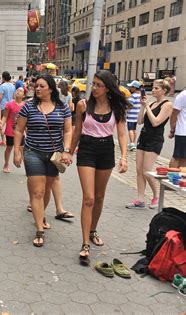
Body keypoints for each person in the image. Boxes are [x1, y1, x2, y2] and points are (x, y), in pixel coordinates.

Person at [68, 70, 129, 264]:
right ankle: (85, 243)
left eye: (98, 85)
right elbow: (77, 129)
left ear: (108, 88)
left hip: (106, 151)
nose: (93, 88)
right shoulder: (83, 105)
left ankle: (93, 230)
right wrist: (68, 151)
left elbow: (121, 134)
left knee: (100, 197)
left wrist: (124, 157)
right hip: (86, 150)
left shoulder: (116, 107)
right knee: (89, 198)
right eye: (93, 84)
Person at [13, 74, 72, 247]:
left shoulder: (62, 108)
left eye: (42, 86)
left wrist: (67, 151)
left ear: (51, 89)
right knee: (37, 192)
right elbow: (18, 130)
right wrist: (17, 151)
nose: (37, 89)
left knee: (46, 192)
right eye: (36, 86)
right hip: (33, 153)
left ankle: (41, 214)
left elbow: (68, 131)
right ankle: (39, 230)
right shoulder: (28, 107)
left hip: (54, 155)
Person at [126, 79, 173, 209]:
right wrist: (143, 106)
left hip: (155, 139)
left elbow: (156, 122)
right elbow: (140, 121)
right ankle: (140, 198)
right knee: (139, 169)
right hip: (144, 137)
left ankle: (156, 196)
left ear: (164, 90)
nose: (153, 90)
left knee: (147, 170)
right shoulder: (151, 104)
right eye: (153, 88)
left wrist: (146, 106)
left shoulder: (167, 105)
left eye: (156, 88)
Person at [1, 87, 24, 173]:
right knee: (9, 148)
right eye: (17, 90)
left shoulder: (25, 106)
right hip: (10, 130)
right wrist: (1, 123)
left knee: (22, 148)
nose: (18, 91)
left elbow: (27, 120)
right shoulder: (9, 104)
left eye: (21, 91)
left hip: (21, 131)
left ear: (23, 95)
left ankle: (27, 168)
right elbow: (5, 116)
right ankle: (6, 164)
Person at [169, 89, 186, 167]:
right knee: (178, 157)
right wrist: (172, 129)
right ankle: (171, 177)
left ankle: (182, 177)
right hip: (183, 132)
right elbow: (174, 114)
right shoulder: (183, 95)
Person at [0, 71, 16, 146]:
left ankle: (3, 140)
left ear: (3, 77)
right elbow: (14, 97)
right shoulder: (13, 86)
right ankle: (11, 138)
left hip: (3, 106)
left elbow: (0, 97)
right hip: (11, 105)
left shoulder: (2, 86)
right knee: (10, 123)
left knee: (2, 123)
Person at [126, 80, 142, 151]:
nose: (130, 88)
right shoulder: (140, 96)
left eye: (131, 87)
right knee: (134, 129)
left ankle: (132, 143)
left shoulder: (133, 96)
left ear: (135, 88)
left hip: (131, 115)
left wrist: (126, 109)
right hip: (137, 115)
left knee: (130, 129)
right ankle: (133, 142)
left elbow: (130, 105)